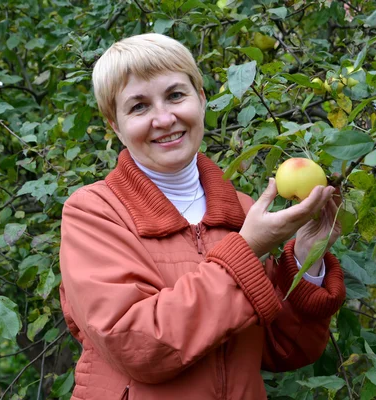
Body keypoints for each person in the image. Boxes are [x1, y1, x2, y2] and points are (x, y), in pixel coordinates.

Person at [59, 33, 346, 400]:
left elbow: (285, 349)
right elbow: (137, 345)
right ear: (115, 125)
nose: (164, 118)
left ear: (202, 98)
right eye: (139, 107)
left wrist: (308, 256)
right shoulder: (95, 213)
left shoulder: (243, 211)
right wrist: (249, 248)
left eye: (176, 95)